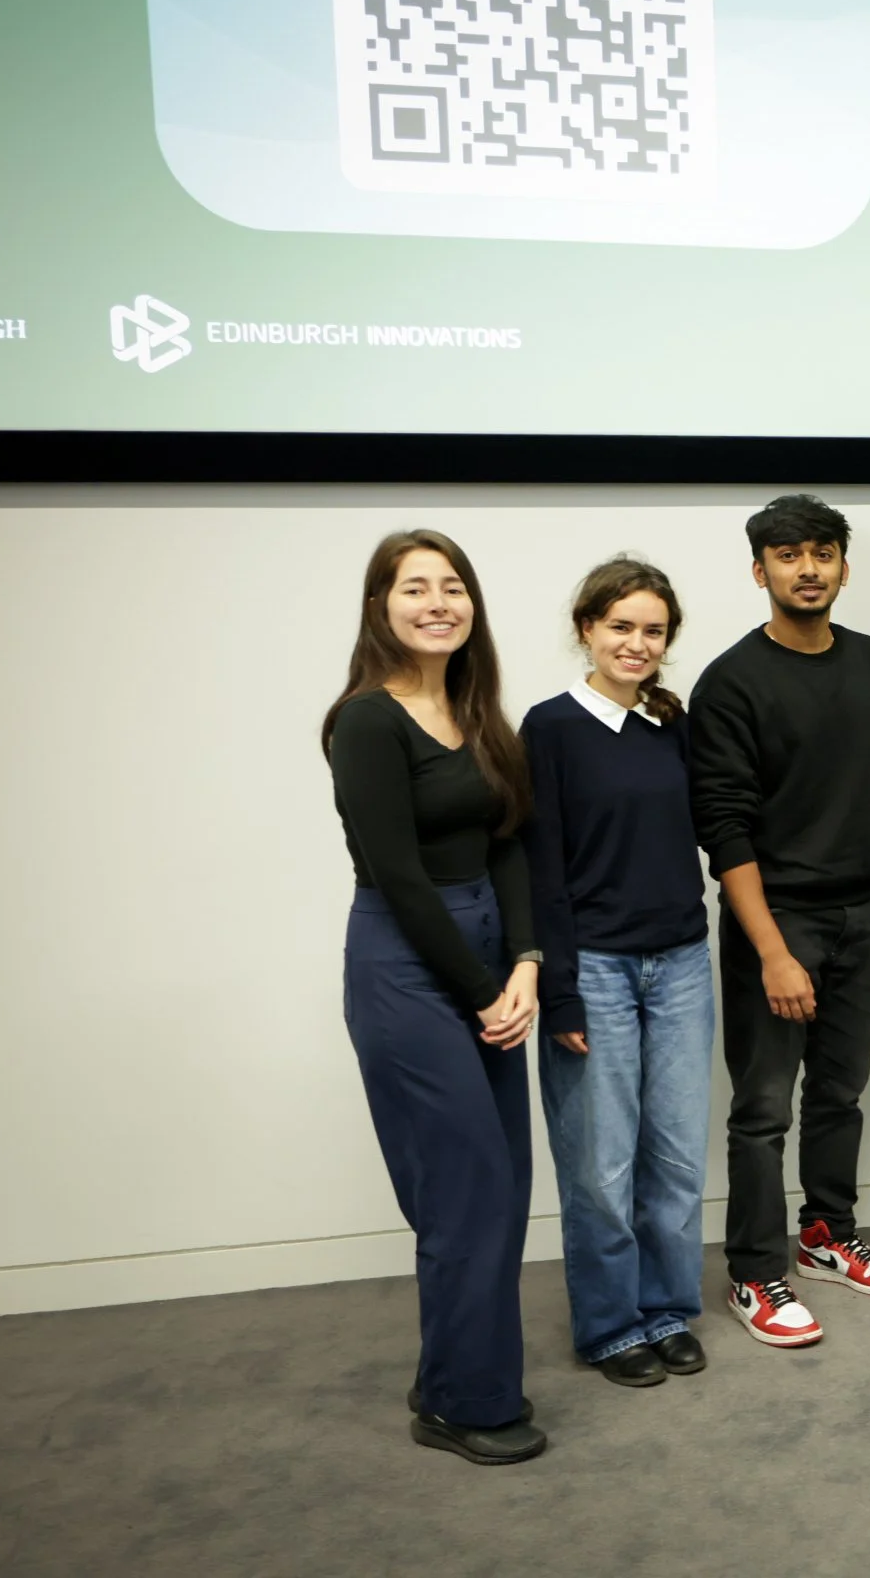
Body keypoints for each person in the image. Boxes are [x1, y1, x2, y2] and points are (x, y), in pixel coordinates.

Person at [323, 530, 544, 1466]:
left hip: (490, 955)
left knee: (505, 1183)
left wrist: (525, 961)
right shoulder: (366, 722)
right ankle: (461, 1403)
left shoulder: (476, 712)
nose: (437, 603)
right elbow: (398, 876)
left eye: (452, 586)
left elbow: (509, 842)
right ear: (380, 606)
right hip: (409, 965)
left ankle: (453, 1371)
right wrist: (484, 989)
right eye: (414, 588)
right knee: (467, 1189)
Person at [689, 494, 870, 1348]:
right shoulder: (730, 683)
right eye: (788, 556)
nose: (808, 569)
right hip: (777, 921)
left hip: (863, 914)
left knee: (840, 1092)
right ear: (760, 572)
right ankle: (754, 1272)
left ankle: (826, 1234)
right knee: (761, 1110)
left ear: (843, 568)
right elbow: (724, 829)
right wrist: (773, 951)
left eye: (822, 552)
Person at [522, 558, 715, 1388]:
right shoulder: (549, 728)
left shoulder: (671, 726)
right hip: (594, 970)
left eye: (653, 631)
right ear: (587, 630)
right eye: (621, 627)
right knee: (600, 1167)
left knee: (675, 1156)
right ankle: (609, 1326)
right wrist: (559, 989)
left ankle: (665, 1309)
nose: (637, 643)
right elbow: (540, 867)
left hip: (681, 964)